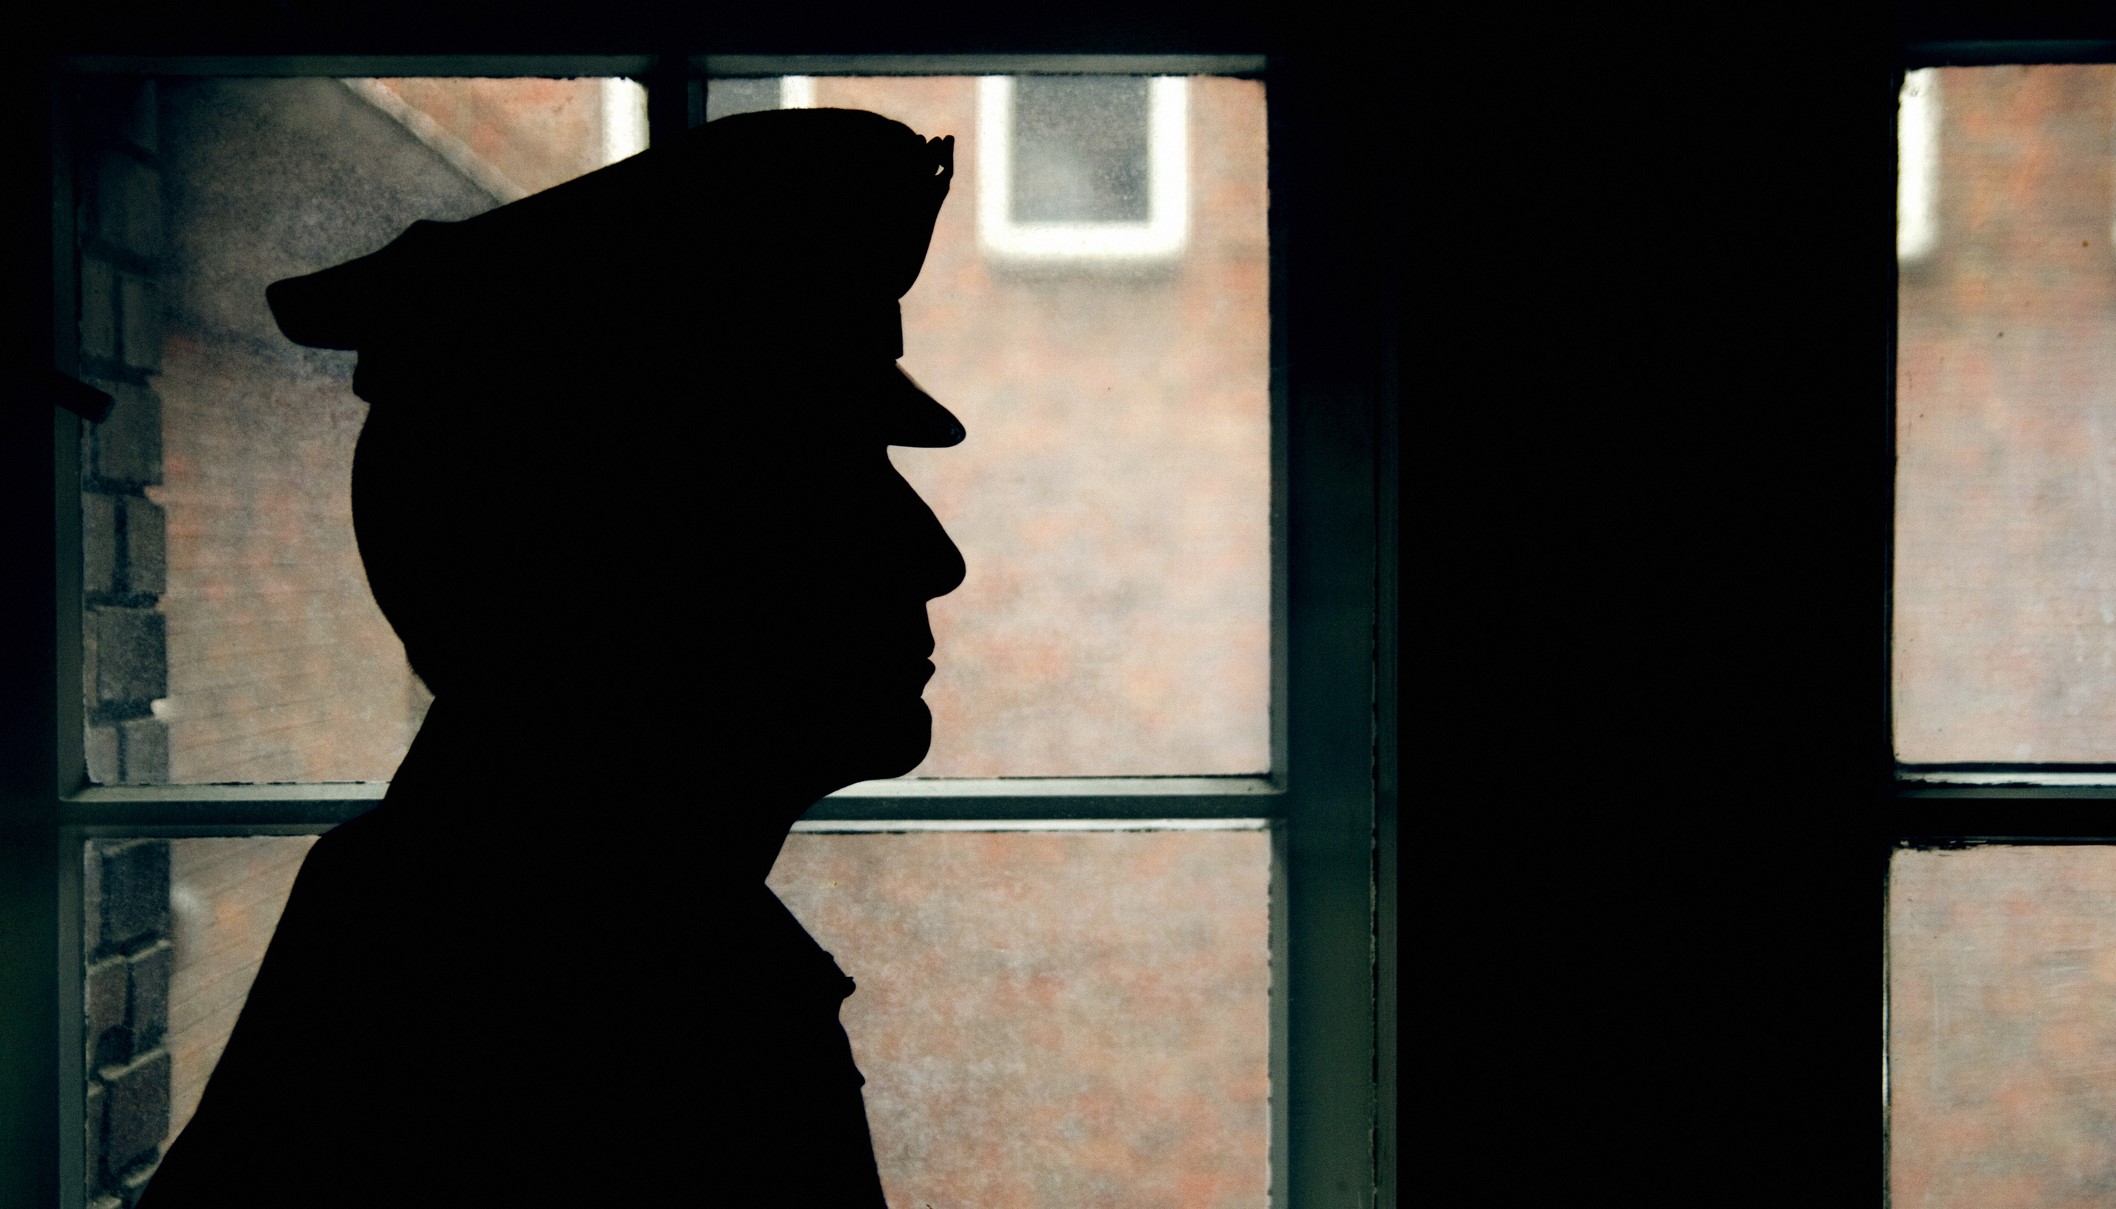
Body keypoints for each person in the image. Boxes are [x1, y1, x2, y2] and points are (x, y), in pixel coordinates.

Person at [136, 107, 964, 1208]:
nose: (933, 556)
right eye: (821, 487)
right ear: (617, 561)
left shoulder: (501, 924)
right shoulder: (603, 988)